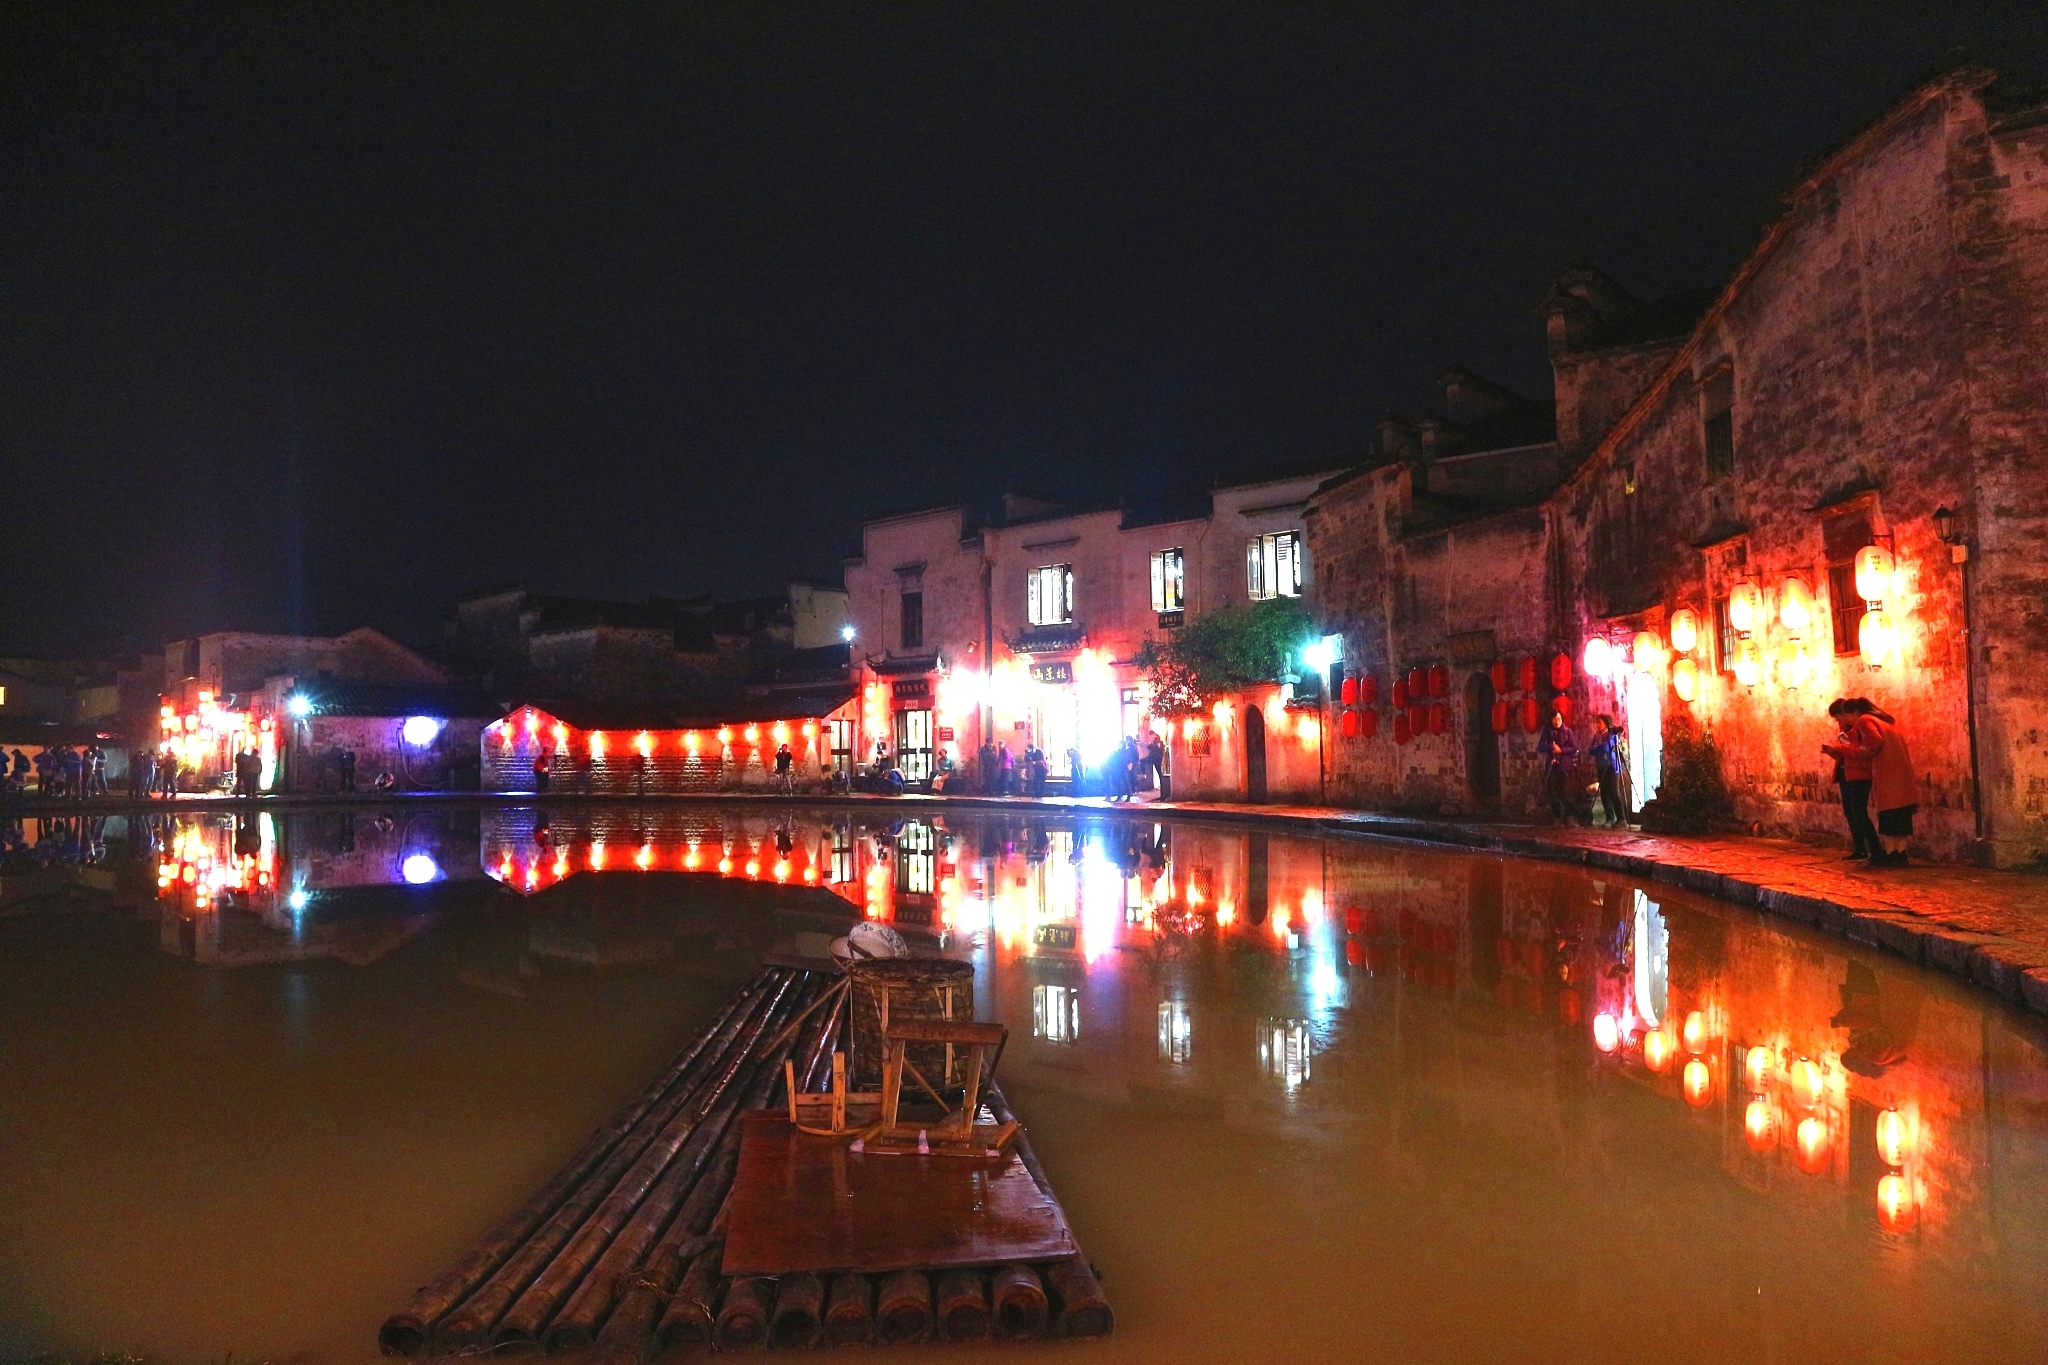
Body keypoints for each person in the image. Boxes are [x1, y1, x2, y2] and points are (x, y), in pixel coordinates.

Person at [1842, 698, 1916, 867]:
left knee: (1889, 815)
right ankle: (1900, 855)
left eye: (1846, 716)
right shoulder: (1886, 720)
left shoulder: (1865, 720)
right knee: (1900, 815)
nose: (1847, 721)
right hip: (1900, 772)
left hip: (1887, 771)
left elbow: (1874, 741)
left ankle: (1890, 855)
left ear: (1853, 713)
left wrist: (1863, 752)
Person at [1820, 699, 1879, 861]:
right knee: (1851, 812)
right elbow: (1846, 750)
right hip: (1845, 772)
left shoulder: (1861, 726)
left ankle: (1875, 850)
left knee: (1858, 812)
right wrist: (1834, 751)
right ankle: (1860, 848)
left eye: (1839, 717)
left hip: (1858, 773)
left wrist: (1841, 748)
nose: (1839, 721)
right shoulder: (1844, 730)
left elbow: (1861, 750)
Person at [1536, 711, 1580, 823]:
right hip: (1552, 765)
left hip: (1565, 765)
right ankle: (1557, 817)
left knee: (1566, 792)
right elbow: (1540, 747)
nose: (1557, 722)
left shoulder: (1567, 731)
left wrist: (1562, 750)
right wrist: (1551, 747)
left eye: (1559, 719)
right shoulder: (1547, 732)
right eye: (1555, 719)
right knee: (1553, 793)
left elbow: (1574, 748)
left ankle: (1570, 817)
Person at [1589, 715, 1628, 828]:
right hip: (1601, 766)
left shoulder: (1611, 735)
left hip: (1611, 766)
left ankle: (1621, 818)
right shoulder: (1597, 736)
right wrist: (1598, 749)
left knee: (1614, 792)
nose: (1598, 725)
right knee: (1605, 793)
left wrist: (1598, 749)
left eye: (1600, 722)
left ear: (1606, 723)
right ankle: (1610, 818)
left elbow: (1606, 748)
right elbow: (1591, 750)